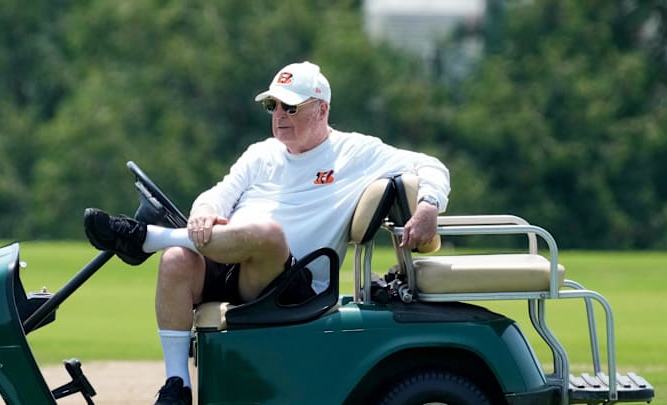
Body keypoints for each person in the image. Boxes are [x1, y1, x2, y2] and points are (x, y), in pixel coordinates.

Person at [83, 61, 450, 405]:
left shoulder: (356, 152)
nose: (279, 116)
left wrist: (429, 206)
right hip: (235, 266)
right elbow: (217, 195)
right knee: (177, 259)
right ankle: (177, 384)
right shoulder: (261, 154)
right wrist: (203, 214)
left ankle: (148, 238)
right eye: (273, 106)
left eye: (290, 108)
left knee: (269, 233)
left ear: (321, 110)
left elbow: (430, 165)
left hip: (295, 283)